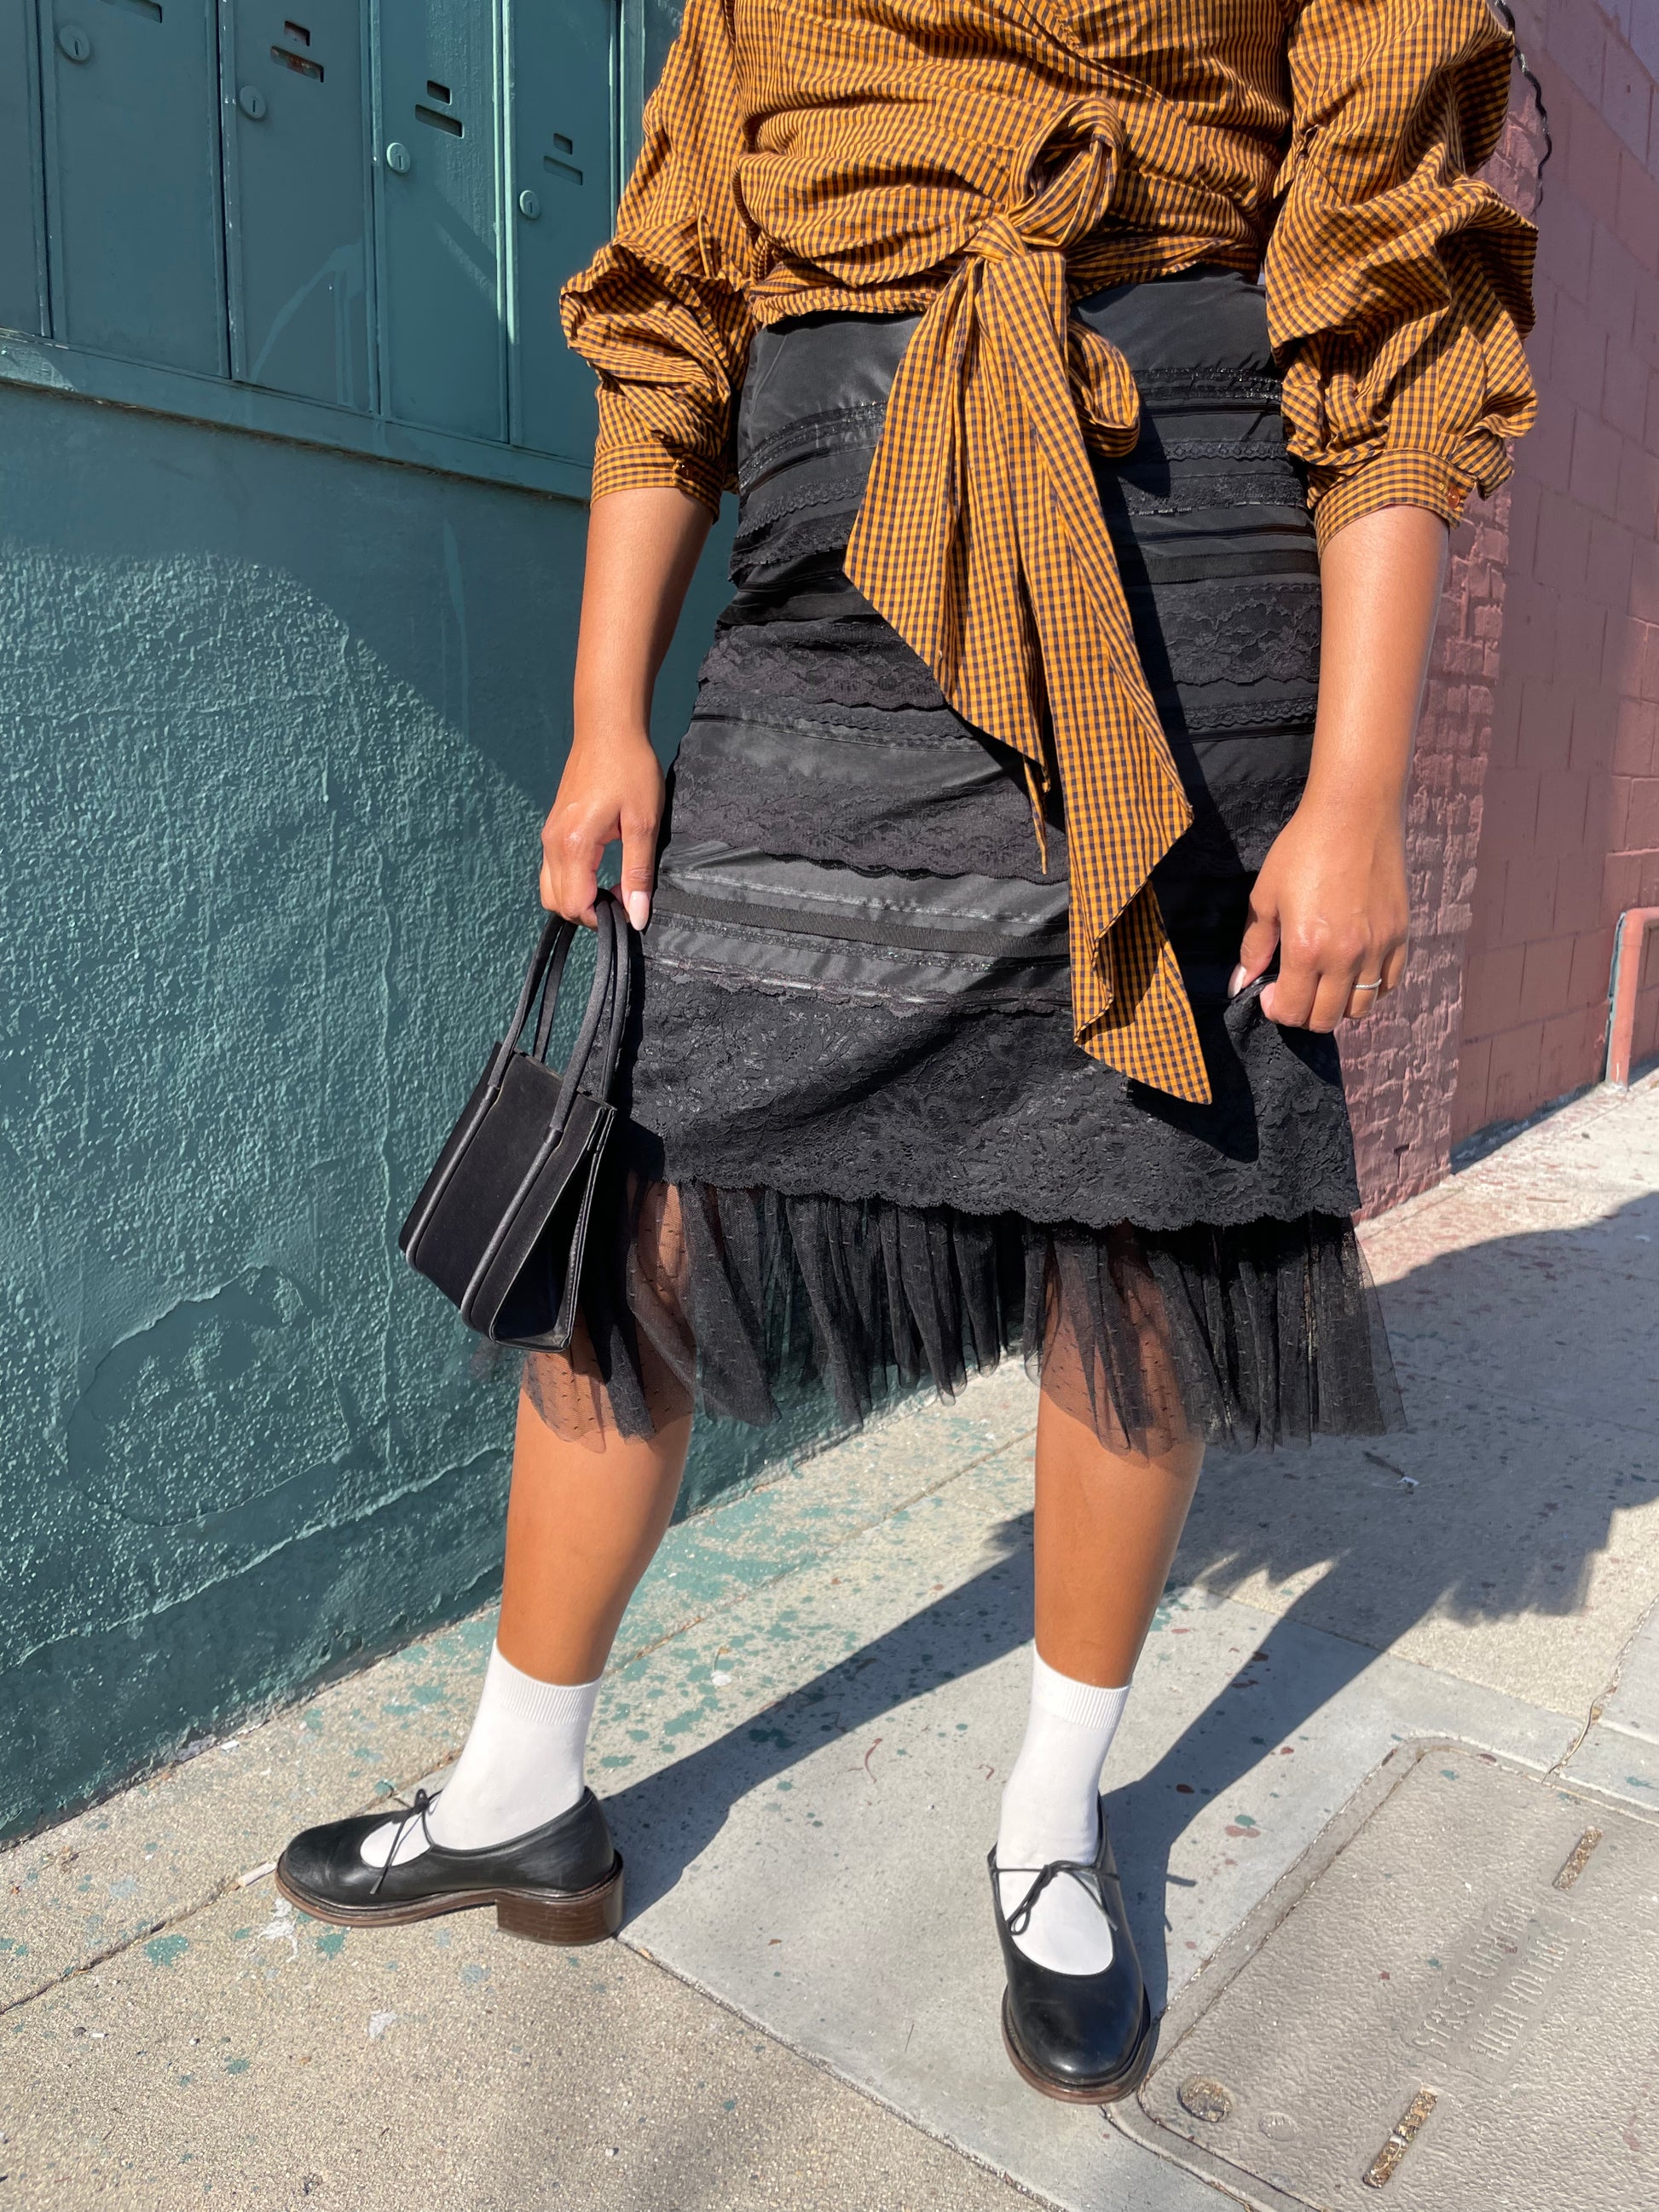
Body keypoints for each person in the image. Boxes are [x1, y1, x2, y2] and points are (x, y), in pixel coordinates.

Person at [277, 0, 1536, 2102]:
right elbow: (675, 314)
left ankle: (1051, 1822)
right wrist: (608, 719)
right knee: (649, 1214)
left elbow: (1390, 302)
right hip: (829, 604)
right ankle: (521, 1787)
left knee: (1143, 1224)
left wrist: (1358, 782)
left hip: (1183, 570)